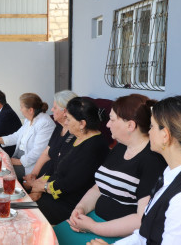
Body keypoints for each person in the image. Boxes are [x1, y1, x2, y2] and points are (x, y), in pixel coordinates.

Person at [88, 95, 181, 245]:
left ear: (165, 135)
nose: (148, 132)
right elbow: (144, 235)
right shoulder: (173, 172)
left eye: (151, 126)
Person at [54, 94, 166, 244]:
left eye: (112, 120)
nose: (107, 125)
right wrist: (80, 208)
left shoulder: (152, 160)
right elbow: (99, 187)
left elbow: (141, 219)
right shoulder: (119, 148)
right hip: (94, 221)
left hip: (116, 235)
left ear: (130, 126)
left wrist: (95, 227)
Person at [29, 97, 110, 225]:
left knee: (24, 214)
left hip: (69, 204)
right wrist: (38, 187)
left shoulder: (94, 147)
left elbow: (71, 183)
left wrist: (44, 187)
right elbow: (57, 164)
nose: (65, 123)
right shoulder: (75, 136)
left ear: (82, 124)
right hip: (53, 195)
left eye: (68, 119)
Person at [0, 93, 56, 182]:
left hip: (30, 164)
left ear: (30, 110)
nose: (20, 109)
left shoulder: (45, 123)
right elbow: (17, 136)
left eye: (21, 107)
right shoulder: (29, 119)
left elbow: (38, 151)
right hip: (20, 158)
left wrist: (18, 162)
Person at [23, 90, 78, 190]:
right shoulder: (58, 128)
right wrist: (33, 174)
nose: (51, 110)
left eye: (55, 107)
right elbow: (46, 153)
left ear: (65, 111)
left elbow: (59, 167)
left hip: (53, 183)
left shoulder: (74, 134)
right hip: (44, 175)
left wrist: (37, 186)